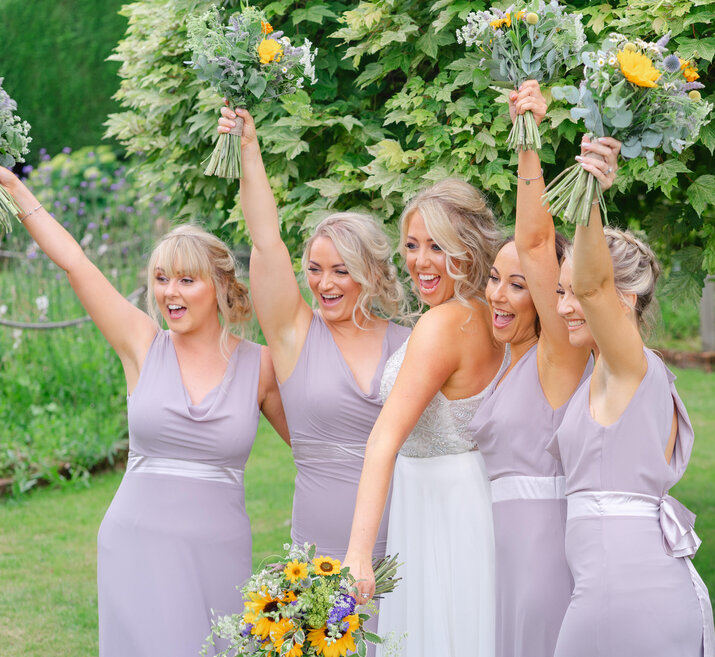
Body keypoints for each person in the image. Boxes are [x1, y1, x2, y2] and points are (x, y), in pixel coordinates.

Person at [0, 166, 290, 657]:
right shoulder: (141, 344)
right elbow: (77, 263)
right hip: (135, 545)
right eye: (160, 279)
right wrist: (12, 187)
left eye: (185, 280)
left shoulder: (261, 366)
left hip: (219, 553)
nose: (169, 292)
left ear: (219, 286)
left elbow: (315, 447)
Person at [546, 138, 715, 657]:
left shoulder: (632, 367)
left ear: (625, 299)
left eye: (574, 291)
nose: (565, 306)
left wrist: (591, 193)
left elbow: (595, 290)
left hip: (630, 593)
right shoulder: (602, 371)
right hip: (605, 590)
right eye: (559, 292)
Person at [217, 107, 410, 564]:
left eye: (342, 271)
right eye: (315, 270)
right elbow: (266, 242)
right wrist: (249, 150)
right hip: (316, 553)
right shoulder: (295, 335)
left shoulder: (409, 344)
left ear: (372, 275)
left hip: (404, 544)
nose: (325, 284)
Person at [342, 178, 506, 657]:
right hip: (464, 495)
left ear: (469, 250)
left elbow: (383, 440)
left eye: (438, 247)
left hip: (440, 509)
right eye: (412, 246)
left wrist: (358, 554)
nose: (419, 261)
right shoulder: (489, 315)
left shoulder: (442, 324)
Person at [469, 80, 594, 657]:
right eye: (494, 277)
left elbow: (538, 241)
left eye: (519, 285)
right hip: (504, 560)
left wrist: (528, 138)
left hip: (548, 558)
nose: (498, 293)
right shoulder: (504, 362)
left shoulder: (559, 357)